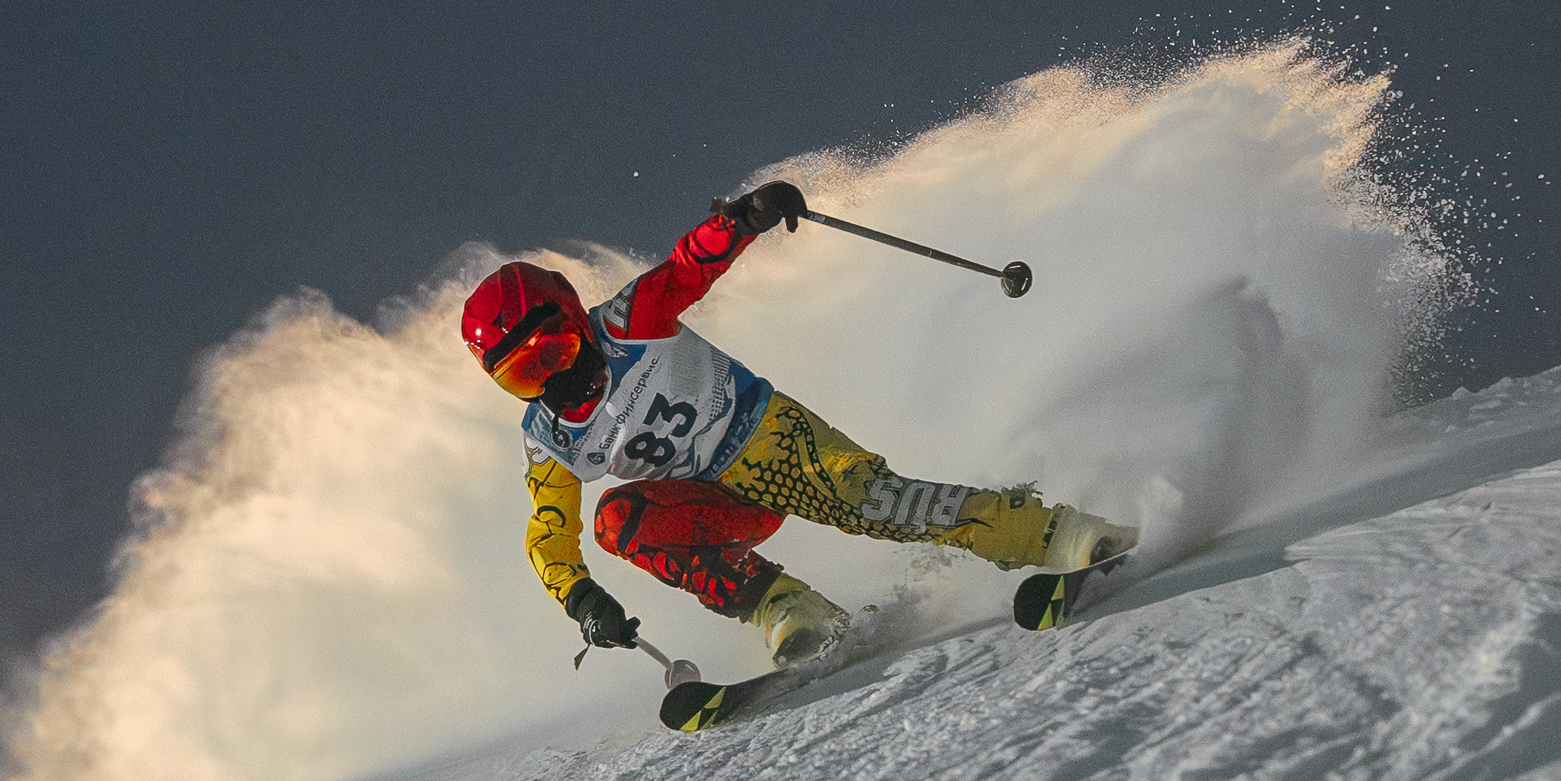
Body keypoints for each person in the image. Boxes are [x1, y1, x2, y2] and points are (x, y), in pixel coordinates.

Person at [459, 181, 1137, 665]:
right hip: (714, 500)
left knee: (870, 503)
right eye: (524, 376)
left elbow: (688, 269)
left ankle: (1056, 533)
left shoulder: (628, 323)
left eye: (552, 352)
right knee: (618, 521)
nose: (552, 380)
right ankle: (790, 610)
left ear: (574, 320)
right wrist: (581, 599)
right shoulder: (550, 440)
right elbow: (550, 534)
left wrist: (743, 220)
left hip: (765, 439)